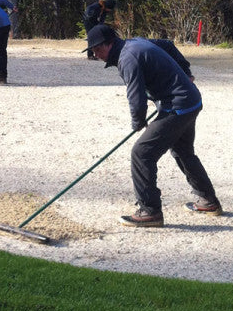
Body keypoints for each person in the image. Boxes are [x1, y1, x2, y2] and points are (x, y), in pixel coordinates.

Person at [84, 24, 221, 227]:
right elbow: (167, 45)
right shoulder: (134, 43)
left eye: (97, 49)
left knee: (142, 153)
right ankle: (208, 200)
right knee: (182, 151)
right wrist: (185, 71)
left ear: (110, 44)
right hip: (190, 101)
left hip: (178, 107)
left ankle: (149, 211)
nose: (95, 54)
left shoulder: (127, 58)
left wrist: (138, 121)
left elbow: (135, 94)